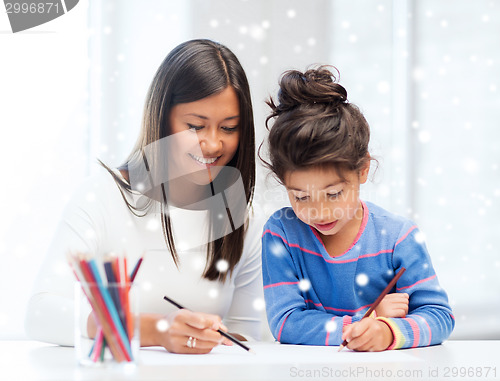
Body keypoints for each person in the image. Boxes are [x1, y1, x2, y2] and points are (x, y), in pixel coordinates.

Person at [25, 39, 265, 354]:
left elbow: (246, 336)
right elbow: (41, 314)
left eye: (229, 128)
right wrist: (153, 330)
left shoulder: (245, 217)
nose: (213, 144)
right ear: (162, 119)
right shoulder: (102, 197)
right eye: (195, 126)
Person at [260, 66, 455, 351]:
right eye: (301, 197)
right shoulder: (281, 234)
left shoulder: (398, 237)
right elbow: (286, 322)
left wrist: (388, 332)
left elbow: (439, 317)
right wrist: (365, 319)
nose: (320, 212)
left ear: (363, 169)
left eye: (334, 194)